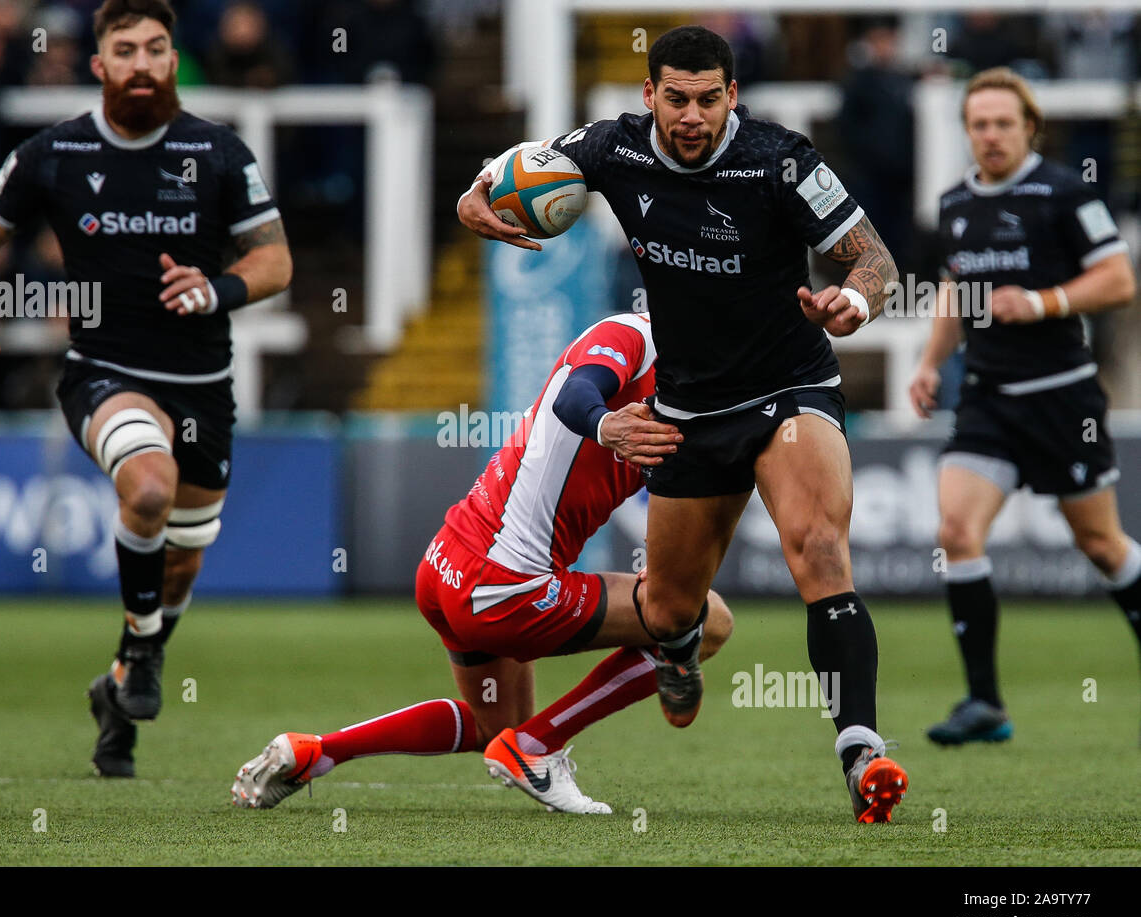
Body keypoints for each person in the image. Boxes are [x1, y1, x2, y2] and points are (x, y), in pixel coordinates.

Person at [458, 25, 908, 822]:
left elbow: (874, 258)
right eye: (676, 99)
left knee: (821, 548)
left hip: (788, 386)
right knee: (669, 610)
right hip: (691, 406)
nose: (692, 115)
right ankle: (674, 657)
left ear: (732, 95)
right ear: (649, 96)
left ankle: (863, 752)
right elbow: (495, 179)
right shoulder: (610, 148)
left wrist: (855, 300)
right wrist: (475, 205)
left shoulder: (783, 159)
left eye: (708, 99)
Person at [0, 0, 292, 778]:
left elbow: (276, 262)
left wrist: (218, 289)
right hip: (105, 373)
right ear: (99, 66)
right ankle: (140, 651)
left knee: (182, 565)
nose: (142, 63)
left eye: (157, 49)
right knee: (146, 489)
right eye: (125, 49)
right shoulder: (54, 151)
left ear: (175, 61)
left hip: (204, 385)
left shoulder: (219, 150)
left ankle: (123, 683)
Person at [232, 313, 734, 814]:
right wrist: (606, 425)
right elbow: (576, 395)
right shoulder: (636, 335)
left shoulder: (707, 395)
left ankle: (315, 753)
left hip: (447, 564)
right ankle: (537, 748)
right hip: (507, 586)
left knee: (494, 724)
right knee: (705, 621)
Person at [910, 67, 1139, 745]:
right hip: (987, 398)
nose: (990, 134)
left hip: (1061, 399)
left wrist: (1044, 301)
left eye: (1003, 122)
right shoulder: (953, 204)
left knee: (1100, 545)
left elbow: (1119, 278)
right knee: (955, 531)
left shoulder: (1065, 193)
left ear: (1029, 127)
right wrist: (928, 362)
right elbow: (958, 289)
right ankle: (985, 701)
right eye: (978, 123)